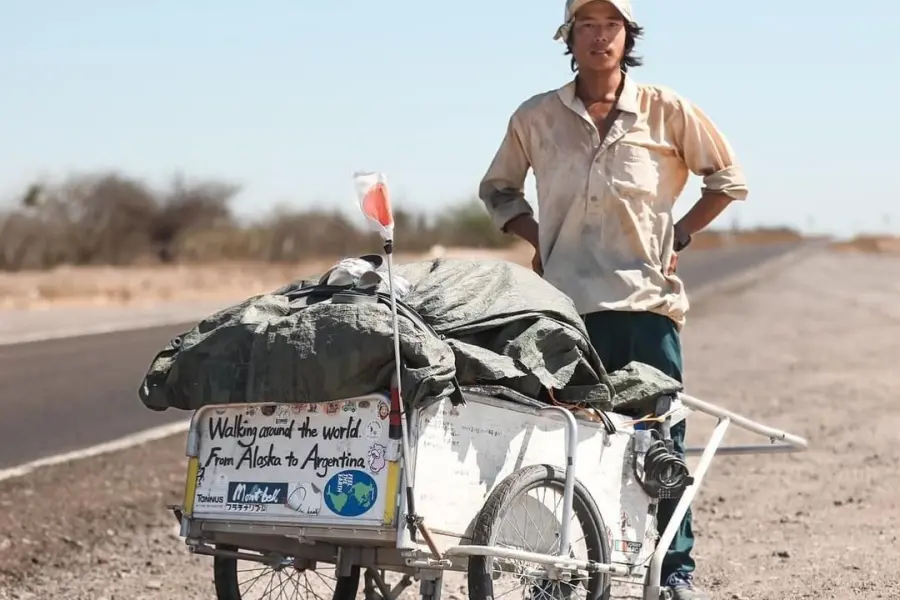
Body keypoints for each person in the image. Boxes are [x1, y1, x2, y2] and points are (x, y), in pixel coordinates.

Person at [477, 1, 748, 598]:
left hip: (644, 305)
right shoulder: (537, 116)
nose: (600, 37)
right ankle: (563, 565)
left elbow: (727, 180)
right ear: (568, 38)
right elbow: (498, 189)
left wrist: (678, 233)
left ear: (629, 37)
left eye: (612, 26)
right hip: (564, 310)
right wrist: (536, 239)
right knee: (562, 438)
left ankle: (672, 574)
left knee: (659, 443)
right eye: (587, 26)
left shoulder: (665, 109)